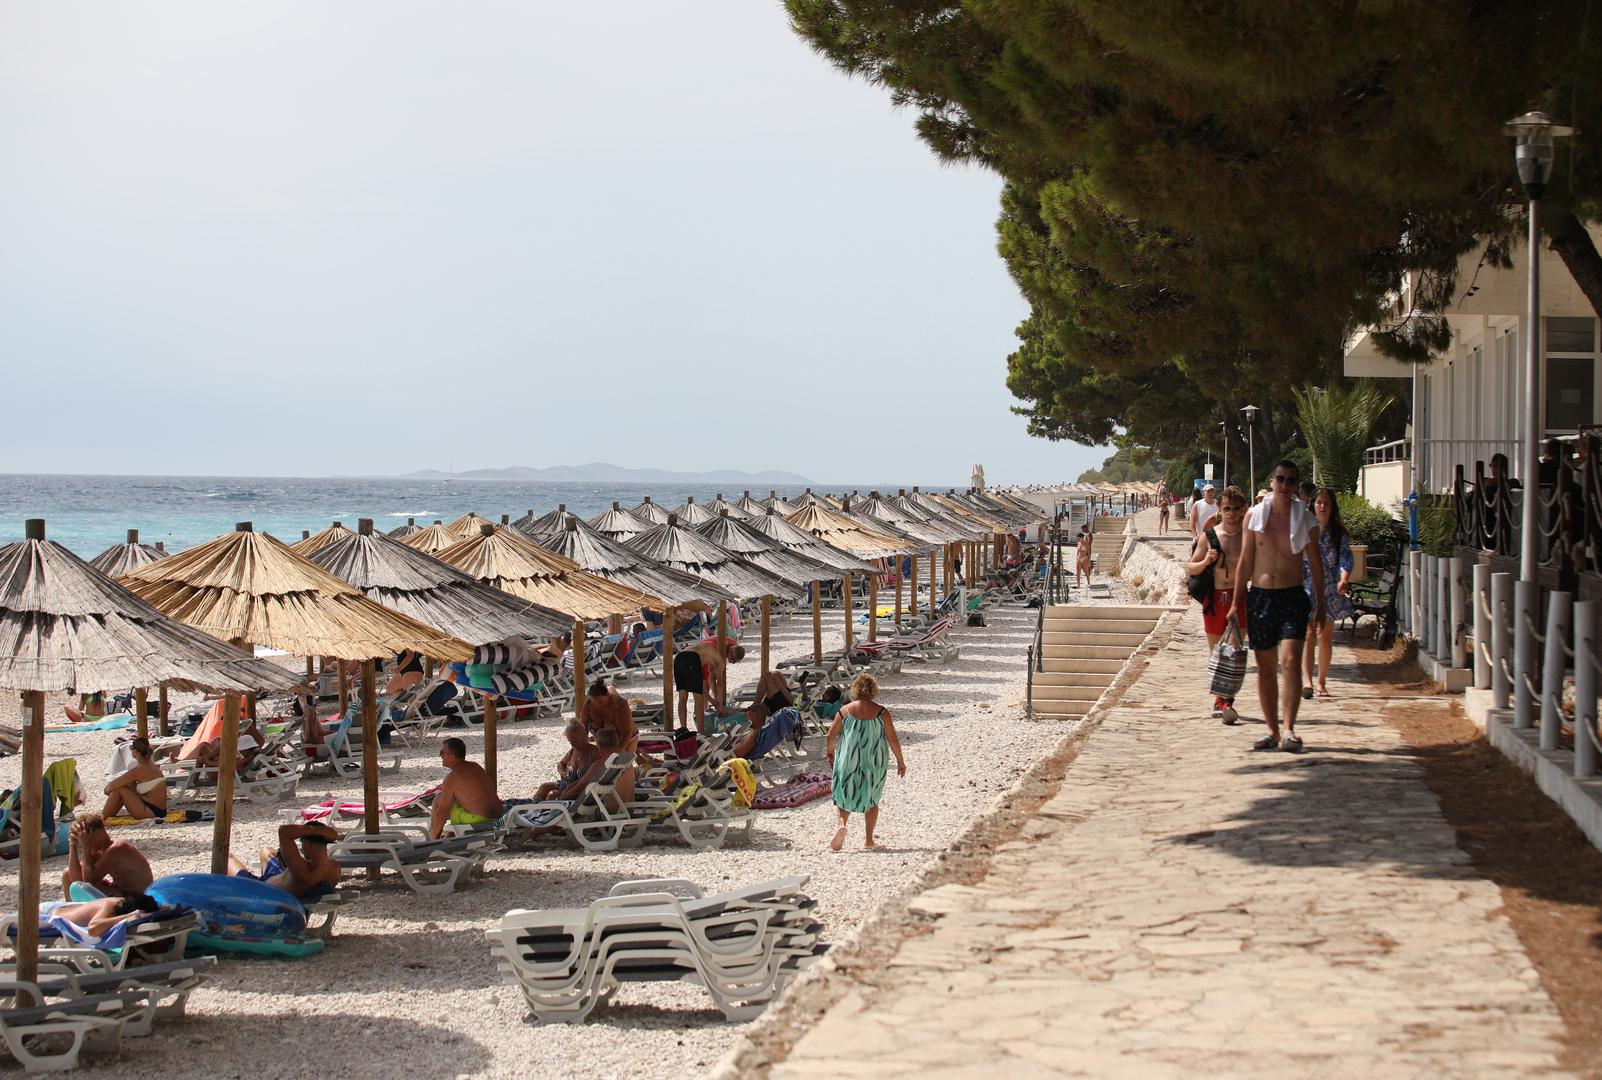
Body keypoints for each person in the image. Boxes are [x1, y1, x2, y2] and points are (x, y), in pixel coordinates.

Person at [1234, 460, 1324, 753]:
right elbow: (1245, 561)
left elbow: (1316, 565)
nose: (1285, 486)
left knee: (1290, 661)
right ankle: (1271, 730)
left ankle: (1289, 729)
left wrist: (1321, 605)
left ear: (1296, 486)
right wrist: (1236, 602)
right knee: (1265, 666)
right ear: (1272, 481)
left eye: (1291, 481)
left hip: (1292, 597)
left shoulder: (1306, 521)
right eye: (1281, 480)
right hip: (1260, 597)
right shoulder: (1254, 517)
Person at [1186, 485, 1248, 724]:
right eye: (1227, 509)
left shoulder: (1247, 536)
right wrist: (1206, 561)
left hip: (1239, 597)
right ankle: (1220, 699)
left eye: (1235, 509)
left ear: (1242, 510)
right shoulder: (1210, 536)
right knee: (1216, 653)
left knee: (1234, 651)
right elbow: (1190, 567)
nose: (1231, 513)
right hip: (1216, 598)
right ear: (1220, 510)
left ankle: (1226, 700)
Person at [825, 673, 905, 851]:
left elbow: (831, 735)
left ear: (854, 690)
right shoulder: (882, 713)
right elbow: (893, 739)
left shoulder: (844, 711)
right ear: (873, 691)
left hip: (847, 759)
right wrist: (900, 761)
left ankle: (842, 825)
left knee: (843, 794)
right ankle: (868, 840)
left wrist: (830, 752)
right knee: (871, 799)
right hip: (874, 762)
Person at [1302, 488, 1354, 699]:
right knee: (1308, 635)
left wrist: (1344, 578)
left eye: (1327, 503)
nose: (1323, 506)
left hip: (1331, 589)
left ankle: (1321, 681)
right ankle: (1307, 680)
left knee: (1325, 636)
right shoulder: (1303, 530)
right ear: (1313, 505)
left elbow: (1345, 558)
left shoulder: (1338, 534)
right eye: (1319, 502)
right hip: (1306, 587)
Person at [227, 822, 342, 900]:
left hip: (262, 887)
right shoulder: (334, 869)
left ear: (307, 845)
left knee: (228, 858)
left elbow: (284, 831)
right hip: (279, 876)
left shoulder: (302, 870)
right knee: (265, 850)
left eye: (302, 843)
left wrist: (321, 831)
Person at [62, 814, 153, 899]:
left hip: (138, 897)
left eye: (87, 839)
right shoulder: (101, 850)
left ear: (98, 834)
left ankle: (79, 911)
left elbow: (88, 881)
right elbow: (75, 878)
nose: (84, 844)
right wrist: (72, 845)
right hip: (122, 891)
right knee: (67, 874)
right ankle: (72, 911)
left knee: (91, 885)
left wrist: (86, 846)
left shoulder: (116, 849)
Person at [428, 737, 503, 838]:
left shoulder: (452, 778)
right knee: (459, 804)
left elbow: (442, 813)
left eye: (442, 752)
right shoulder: (476, 766)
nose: (440, 755)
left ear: (452, 757)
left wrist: (432, 839)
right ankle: (451, 835)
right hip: (498, 816)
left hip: (479, 819)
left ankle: (433, 837)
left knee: (438, 801)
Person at [674, 636, 745, 732]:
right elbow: (719, 684)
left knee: (682, 698)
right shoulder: (720, 662)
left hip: (679, 657)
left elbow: (703, 684)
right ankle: (701, 733)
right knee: (698, 700)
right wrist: (720, 707)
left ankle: (683, 730)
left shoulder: (708, 655)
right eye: (733, 659)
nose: (732, 662)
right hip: (691, 658)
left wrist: (712, 700)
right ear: (731, 651)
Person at [536, 720, 605, 800]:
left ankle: (540, 810)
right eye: (570, 741)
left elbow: (588, 782)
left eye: (574, 741)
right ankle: (532, 807)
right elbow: (561, 764)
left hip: (578, 792)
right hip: (566, 785)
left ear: (584, 737)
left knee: (552, 795)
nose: (572, 744)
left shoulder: (594, 754)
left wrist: (564, 793)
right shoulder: (573, 751)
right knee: (544, 787)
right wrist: (562, 772)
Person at [39, 893, 160, 938]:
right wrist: (129, 916)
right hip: (48, 912)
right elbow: (93, 929)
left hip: (69, 907)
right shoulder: (109, 907)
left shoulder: (125, 903)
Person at [101, 738, 165, 820]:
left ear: (137, 751)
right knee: (127, 785)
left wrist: (107, 791)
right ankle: (106, 816)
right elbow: (122, 782)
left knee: (120, 789)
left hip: (151, 811)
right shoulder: (149, 765)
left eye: (131, 748)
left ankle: (101, 818)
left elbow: (112, 786)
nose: (130, 751)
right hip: (156, 809)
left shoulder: (140, 769)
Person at [582, 678, 638, 752]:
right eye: (594, 702)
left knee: (622, 762)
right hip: (602, 741)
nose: (597, 705)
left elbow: (626, 732)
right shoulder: (588, 705)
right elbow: (583, 728)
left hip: (627, 738)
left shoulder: (620, 705)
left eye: (600, 702)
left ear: (608, 695)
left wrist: (618, 752)